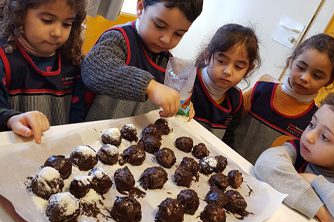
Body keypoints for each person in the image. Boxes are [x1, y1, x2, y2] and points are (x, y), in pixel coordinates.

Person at [81, 0, 203, 121]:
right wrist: (149, 86)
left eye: (178, 34)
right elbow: (92, 68)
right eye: (159, 25)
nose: (166, 39)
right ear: (140, 8)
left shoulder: (165, 60)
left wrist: (179, 104)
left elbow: (170, 95)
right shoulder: (119, 39)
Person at [233, 33, 334, 164]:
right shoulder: (261, 90)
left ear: (328, 81)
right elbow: (229, 117)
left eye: (316, 76)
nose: (305, 77)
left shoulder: (314, 122)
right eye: (301, 67)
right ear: (291, 62)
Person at [0, 0, 89, 143]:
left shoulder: (73, 64)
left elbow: (77, 118)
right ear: (20, 15)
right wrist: (11, 118)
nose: (57, 32)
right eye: (47, 21)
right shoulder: (4, 60)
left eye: (66, 24)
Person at [254, 93, 334, 222]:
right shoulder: (299, 151)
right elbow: (266, 164)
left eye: (324, 136)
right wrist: (322, 213)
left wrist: (316, 180)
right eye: (311, 124)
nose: (309, 136)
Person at [191, 23, 260, 147]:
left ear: (248, 70)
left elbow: (227, 140)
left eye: (238, 67)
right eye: (221, 61)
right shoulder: (189, 81)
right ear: (207, 56)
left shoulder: (236, 99)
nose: (228, 71)